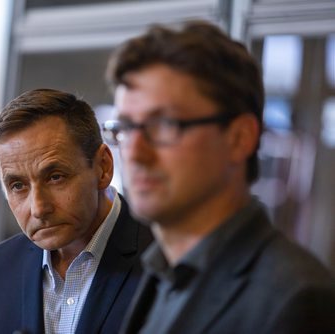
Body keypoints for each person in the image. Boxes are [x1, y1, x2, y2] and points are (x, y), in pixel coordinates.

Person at [102, 21, 335, 333]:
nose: (134, 153)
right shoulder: (161, 272)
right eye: (127, 128)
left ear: (239, 138)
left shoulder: (296, 299)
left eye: (165, 125)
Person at [0, 88, 152, 334]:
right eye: (18, 186)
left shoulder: (165, 262)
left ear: (103, 167)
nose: (38, 208)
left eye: (55, 177)